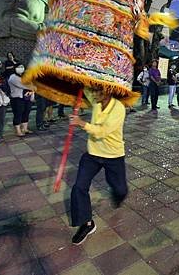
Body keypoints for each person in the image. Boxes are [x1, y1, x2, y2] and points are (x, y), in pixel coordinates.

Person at [68, 87, 129, 245]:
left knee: (120, 190)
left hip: (113, 155)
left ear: (108, 92)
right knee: (78, 187)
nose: (93, 95)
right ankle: (87, 223)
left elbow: (103, 131)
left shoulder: (118, 108)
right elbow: (84, 91)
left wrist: (80, 123)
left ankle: (118, 195)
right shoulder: (96, 99)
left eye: (97, 92)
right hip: (93, 154)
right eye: (92, 91)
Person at [8, 64, 34, 136]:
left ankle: (25, 129)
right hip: (17, 98)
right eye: (18, 67)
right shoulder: (13, 77)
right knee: (18, 113)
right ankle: (18, 131)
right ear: (15, 68)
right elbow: (24, 85)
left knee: (26, 112)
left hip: (27, 97)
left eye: (22, 67)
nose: (21, 68)